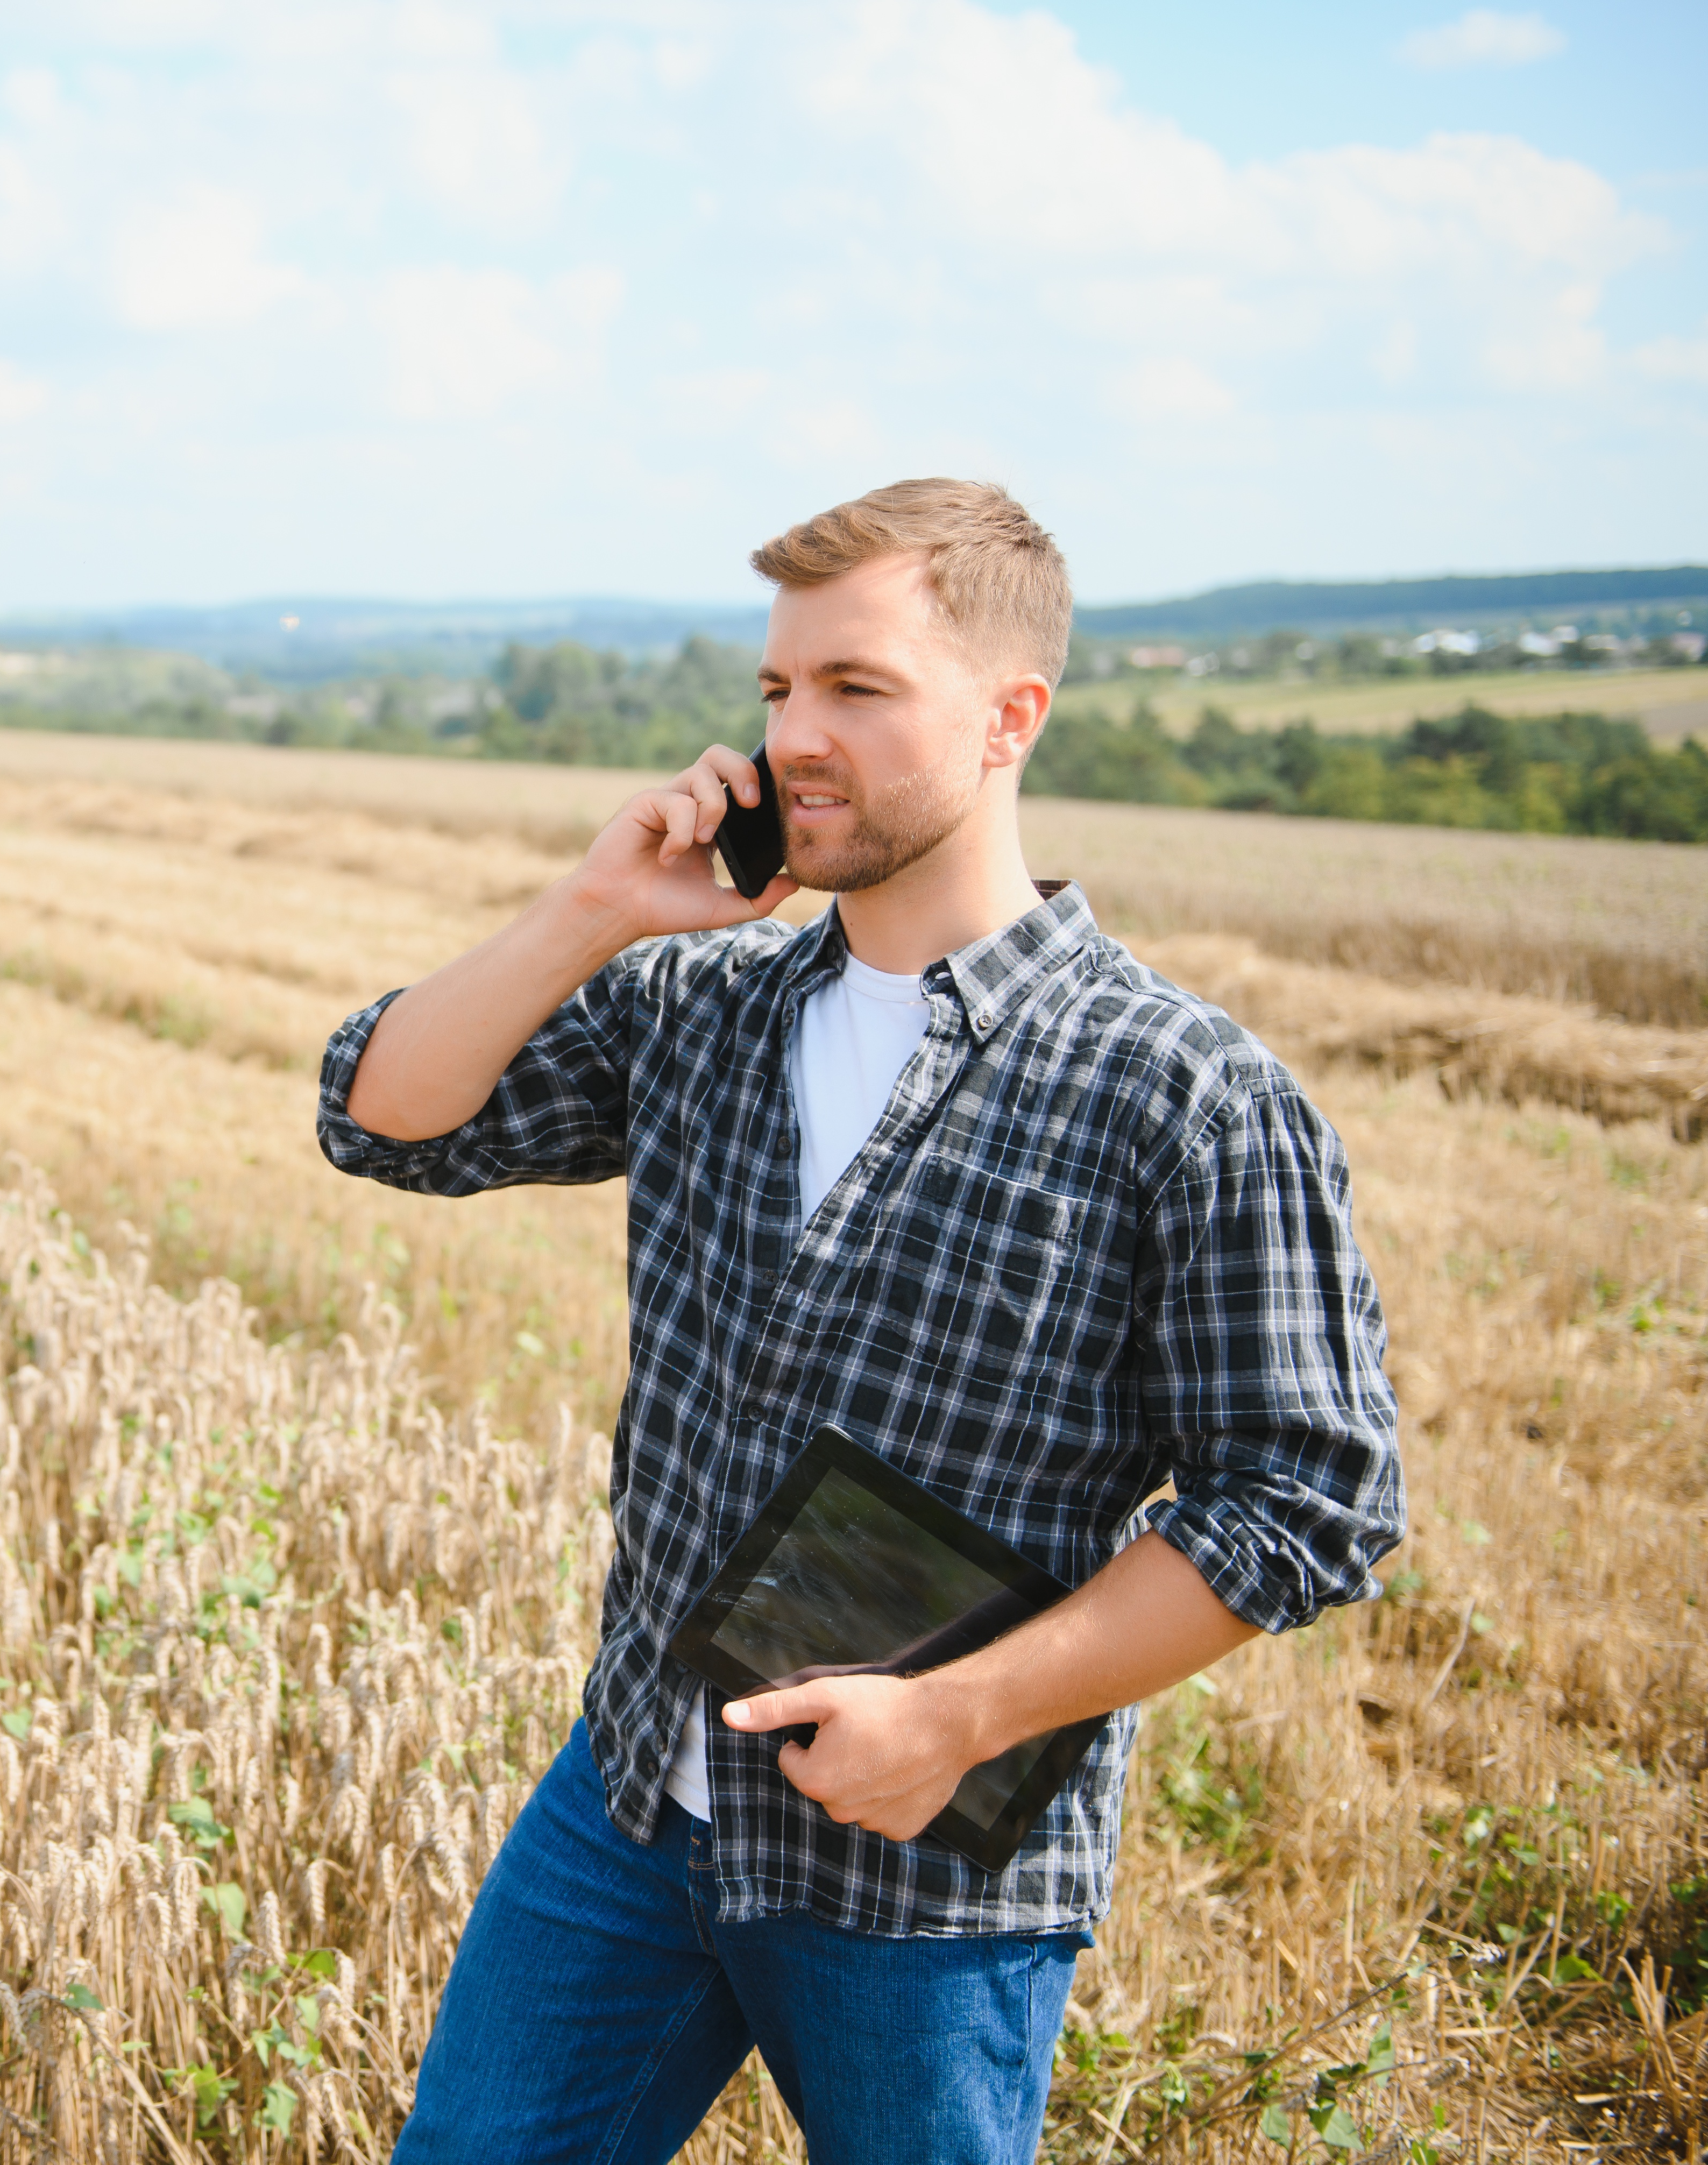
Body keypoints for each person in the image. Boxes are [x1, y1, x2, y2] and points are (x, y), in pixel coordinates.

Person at [315, 479, 1404, 2163]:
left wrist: (958, 1717)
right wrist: (597, 908)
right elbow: (387, 1119)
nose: (794, 736)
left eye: (857, 689)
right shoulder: (701, 1007)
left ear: (1009, 718)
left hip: (924, 1887)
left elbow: (1308, 1504)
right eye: (777, 692)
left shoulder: (1178, 1094)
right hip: (627, 1809)